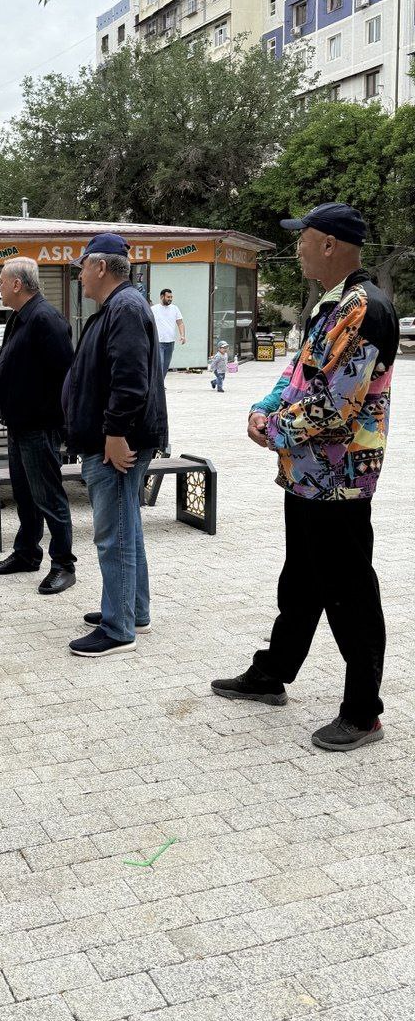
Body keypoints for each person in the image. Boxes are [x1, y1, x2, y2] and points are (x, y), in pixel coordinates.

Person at [212, 203, 399, 751]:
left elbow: (336, 407)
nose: (296, 249)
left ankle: (363, 712)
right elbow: (298, 375)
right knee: (301, 581)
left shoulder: (364, 309)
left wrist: (272, 431)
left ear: (329, 244)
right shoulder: (331, 303)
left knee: (349, 593)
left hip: (339, 480)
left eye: (303, 238)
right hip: (309, 475)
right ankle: (272, 673)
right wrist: (263, 407)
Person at [63, 235, 168, 657]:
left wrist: (115, 432)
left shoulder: (124, 308)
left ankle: (119, 628)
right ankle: (132, 612)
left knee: (114, 535)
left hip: (119, 442)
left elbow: (130, 378)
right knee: (127, 529)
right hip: (116, 437)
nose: (80, 275)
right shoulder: (120, 306)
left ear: (101, 267)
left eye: (83, 267)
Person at [0, 257, 76, 594]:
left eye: (1, 281)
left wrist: (61, 425)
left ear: (16, 284)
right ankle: (27, 552)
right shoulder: (20, 317)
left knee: (49, 497)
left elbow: (65, 376)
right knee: (25, 495)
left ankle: (63, 564)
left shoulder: (45, 319)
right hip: (19, 425)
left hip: (39, 426)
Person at [151, 289, 186, 375]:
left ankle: (161, 382)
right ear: (162, 297)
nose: (170, 299)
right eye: (168, 297)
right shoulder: (154, 309)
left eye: (171, 297)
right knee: (160, 364)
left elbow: (180, 323)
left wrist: (182, 335)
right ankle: (157, 383)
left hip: (170, 342)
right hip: (158, 342)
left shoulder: (175, 308)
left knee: (165, 366)